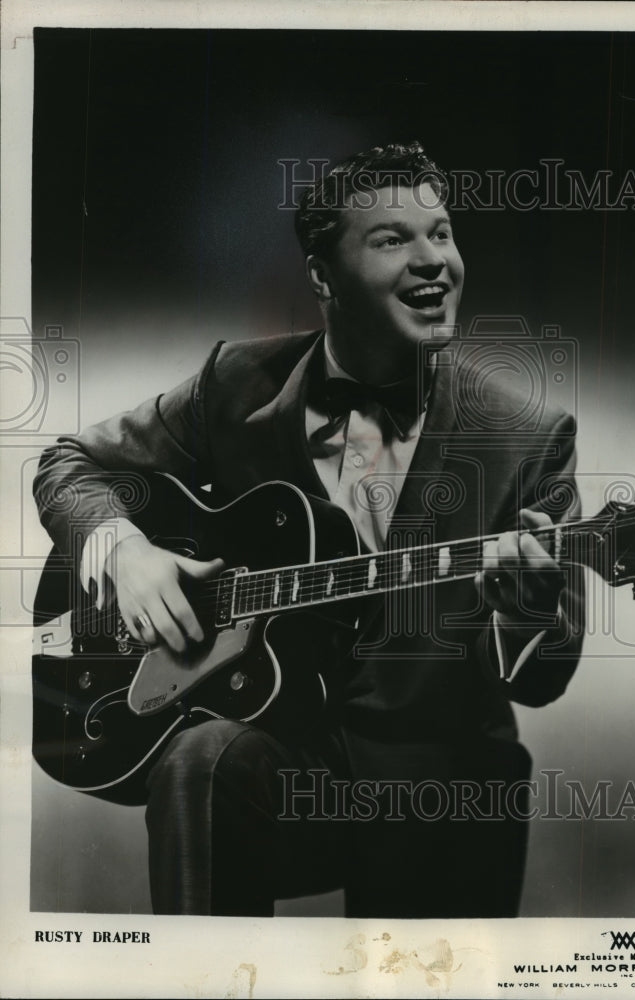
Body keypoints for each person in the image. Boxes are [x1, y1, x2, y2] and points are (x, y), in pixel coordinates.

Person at [34, 142, 584, 918]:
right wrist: (125, 552)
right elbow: (69, 465)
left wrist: (528, 607)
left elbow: (545, 677)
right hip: (285, 770)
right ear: (323, 276)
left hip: (440, 792)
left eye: (443, 232)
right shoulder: (234, 382)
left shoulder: (529, 435)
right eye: (393, 239)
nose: (434, 262)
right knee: (202, 760)